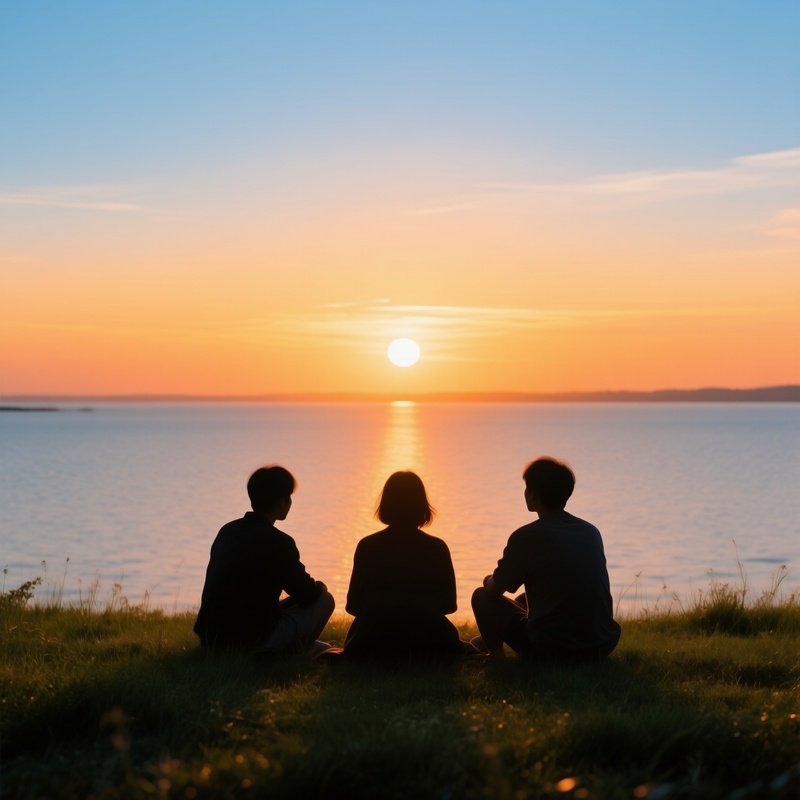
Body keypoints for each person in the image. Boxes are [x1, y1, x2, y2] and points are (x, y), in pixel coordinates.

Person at [472, 457, 621, 660]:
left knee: (482, 596)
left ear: (532, 494)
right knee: (523, 599)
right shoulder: (590, 532)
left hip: (552, 649)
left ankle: (495, 655)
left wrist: (488, 579)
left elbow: (494, 589)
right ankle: (485, 641)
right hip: (602, 644)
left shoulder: (526, 536)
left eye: (527, 488)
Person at [194, 465, 334, 655]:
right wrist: (320, 588)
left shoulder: (227, 531)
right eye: (289, 497)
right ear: (282, 502)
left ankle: (303, 646)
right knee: (325, 600)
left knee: (285, 606)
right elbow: (306, 594)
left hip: (211, 639)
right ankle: (296, 651)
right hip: (250, 641)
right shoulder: (279, 542)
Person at [343, 471, 464, 660]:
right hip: (430, 643)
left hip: (372, 642)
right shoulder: (437, 548)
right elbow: (449, 605)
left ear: (386, 504)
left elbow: (353, 606)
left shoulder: (367, 546)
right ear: (422, 505)